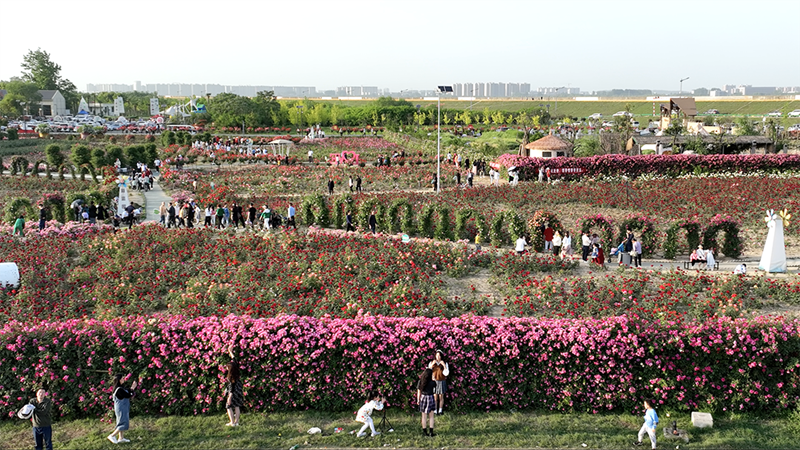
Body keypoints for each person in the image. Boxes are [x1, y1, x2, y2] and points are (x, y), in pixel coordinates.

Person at [108, 374, 138, 444]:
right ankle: (112, 435)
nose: (123, 379)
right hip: (121, 408)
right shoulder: (119, 390)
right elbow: (129, 395)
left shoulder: (120, 388)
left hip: (122, 407)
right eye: (122, 378)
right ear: (119, 380)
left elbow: (128, 393)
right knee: (123, 422)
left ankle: (121, 438)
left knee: (121, 421)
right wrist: (133, 388)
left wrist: (131, 389)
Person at [223, 349, 243, 427]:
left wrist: (229, 397)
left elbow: (232, 388)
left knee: (229, 406)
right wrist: (230, 351)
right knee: (237, 406)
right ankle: (236, 422)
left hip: (233, 392)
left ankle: (232, 422)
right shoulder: (236, 369)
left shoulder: (231, 377)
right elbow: (234, 359)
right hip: (239, 390)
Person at [428, 351, 449, 415]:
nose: (438, 357)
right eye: (437, 356)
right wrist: (431, 366)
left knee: (441, 396)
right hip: (434, 381)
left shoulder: (444, 363)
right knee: (435, 397)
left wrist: (444, 366)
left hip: (441, 381)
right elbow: (428, 372)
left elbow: (446, 374)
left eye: (439, 356)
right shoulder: (432, 363)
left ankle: (440, 410)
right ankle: (435, 410)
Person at [417, 368, 436, 437]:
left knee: (424, 416)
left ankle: (425, 432)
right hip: (430, 397)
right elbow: (435, 387)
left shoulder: (420, 382)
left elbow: (419, 392)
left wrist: (418, 400)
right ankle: (431, 432)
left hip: (423, 398)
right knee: (431, 416)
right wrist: (433, 378)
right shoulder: (432, 383)